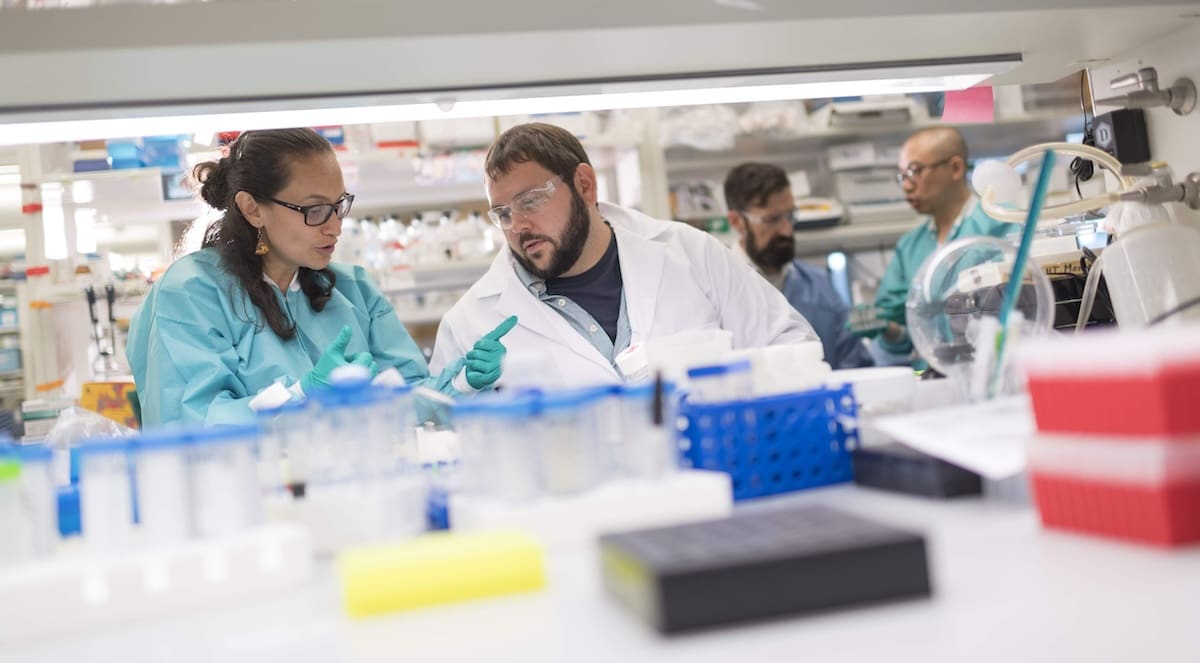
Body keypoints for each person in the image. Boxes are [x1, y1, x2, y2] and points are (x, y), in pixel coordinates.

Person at [127, 128, 513, 427]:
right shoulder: (191, 294)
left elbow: (407, 401)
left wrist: (459, 384)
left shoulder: (353, 292)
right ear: (252, 208)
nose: (334, 228)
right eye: (314, 210)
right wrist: (301, 396)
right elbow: (190, 425)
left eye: (338, 206)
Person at [430, 123, 817, 389]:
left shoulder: (690, 253)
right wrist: (466, 392)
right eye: (503, 214)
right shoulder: (470, 324)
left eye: (531, 201)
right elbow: (442, 434)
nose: (517, 225)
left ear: (584, 184)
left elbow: (793, 346)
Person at [861, 126, 1013, 366]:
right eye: (902, 176)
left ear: (955, 168)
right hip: (935, 374)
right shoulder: (910, 247)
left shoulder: (1002, 224)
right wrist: (888, 329)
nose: (907, 186)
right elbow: (906, 337)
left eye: (915, 171)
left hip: (997, 366)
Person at [723, 162, 873, 370]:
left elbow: (855, 367)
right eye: (772, 219)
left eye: (790, 216)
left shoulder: (820, 287)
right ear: (737, 221)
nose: (786, 231)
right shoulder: (718, 292)